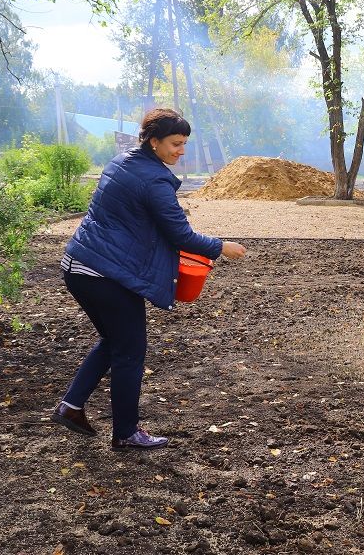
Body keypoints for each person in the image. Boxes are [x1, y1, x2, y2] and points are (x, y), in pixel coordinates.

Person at [51, 108, 247, 450]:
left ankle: (71, 406)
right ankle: (126, 433)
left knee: (115, 342)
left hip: (78, 264)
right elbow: (181, 236)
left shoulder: (123, 160)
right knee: (131, 351)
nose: (180, 151)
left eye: (184, 143)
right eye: (175, 143)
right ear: (154, 141)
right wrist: (221, 246)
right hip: (104, 274)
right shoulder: (155, 180)